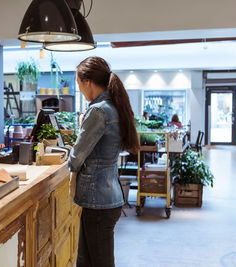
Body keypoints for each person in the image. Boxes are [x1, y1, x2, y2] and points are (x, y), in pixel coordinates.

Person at [68, 56, 139, 267]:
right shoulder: (112, 106)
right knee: (87, 261)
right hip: (106, 197)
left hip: (97, 200)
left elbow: (75, 159)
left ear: (88, 82)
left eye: (78, 83)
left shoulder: (97, 111)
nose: (79, 88)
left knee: (97, 262)